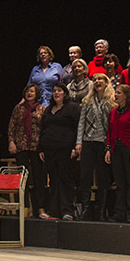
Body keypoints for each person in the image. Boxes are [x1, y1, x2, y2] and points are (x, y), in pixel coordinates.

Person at [75, 73, 116, 221]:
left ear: (106, 83)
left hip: (103, 142)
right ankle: (86, 208)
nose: (97, 81)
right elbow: (81, 123)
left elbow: (112, 125)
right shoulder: (87, 101)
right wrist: (78, 142)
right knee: (85, 176)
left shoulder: (111, 102)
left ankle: (101, 210)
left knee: (103, 177)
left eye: (100, 79)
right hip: (88, 141)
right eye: (95, 80)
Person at [39, 84, 80, 220]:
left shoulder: (72, 108)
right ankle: (54, 210)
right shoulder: (49, 109)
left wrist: (75, 146)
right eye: (54, 91)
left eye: (59, 91)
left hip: (65, 148)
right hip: (50, 148)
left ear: (65, 93)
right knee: (54, 179)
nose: (56, 93)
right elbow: (43, 129)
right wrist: (41, 148)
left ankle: (67, 210)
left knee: (65, 178)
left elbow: (77, 128)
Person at [105, 84, 130, 223]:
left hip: (128, 149)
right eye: (115, 93)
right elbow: (110, 132)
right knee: (120, 183)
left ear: (126, 95)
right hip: (116, 149)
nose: (115, 95)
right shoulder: (113, 112)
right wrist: (108, 149)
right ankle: (119, 212)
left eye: (119, 93)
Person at [7, 84, 47, 218]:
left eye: (32, 91)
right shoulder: (18, 108)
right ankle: (24, 207)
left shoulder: (42, 109)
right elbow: (12, 125)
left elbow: (44, 129)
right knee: (23, 178)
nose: (29, 93)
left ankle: (40, 208)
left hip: (36, 147)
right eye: (28, 91)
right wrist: (11, 141)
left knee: (39, 178)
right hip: (21, 146)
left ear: (37, 94)